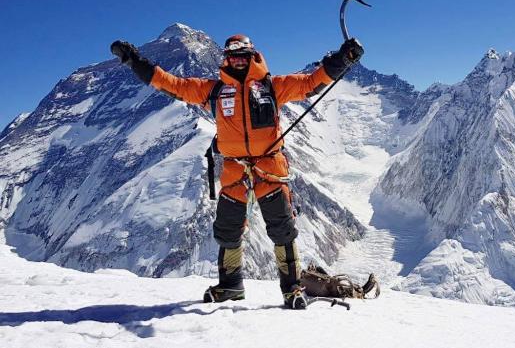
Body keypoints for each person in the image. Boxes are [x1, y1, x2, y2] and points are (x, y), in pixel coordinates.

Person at [110, 33, 363, 309]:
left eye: (243, 57)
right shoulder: (215, 91)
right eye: (233, 57)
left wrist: (344, 58)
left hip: (269, 169)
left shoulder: (273, 87)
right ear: (227, 59)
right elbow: (173, 85)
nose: (239, 62)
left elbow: (312, 82)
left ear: (252, 56)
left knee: (283, 230)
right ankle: (231, 286)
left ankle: (292, 289)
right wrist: (135, 62)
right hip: (235, 172)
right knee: (228, 230)